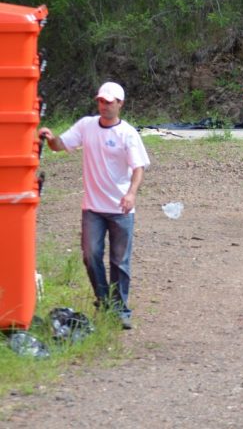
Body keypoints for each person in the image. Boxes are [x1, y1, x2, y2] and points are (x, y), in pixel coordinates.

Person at [39, 81, 150, 329]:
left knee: (120, 262)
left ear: (120, 104)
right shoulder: (87, 126)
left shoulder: (128, 134)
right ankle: (104, 302)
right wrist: (49, 138)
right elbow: (60, 145)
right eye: (101, 101)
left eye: (109, 102)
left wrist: (131, 194)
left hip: (121, 209)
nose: (104, 106)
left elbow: (138, 168)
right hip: (93, 207)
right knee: (91, 256)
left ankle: (121, 310)